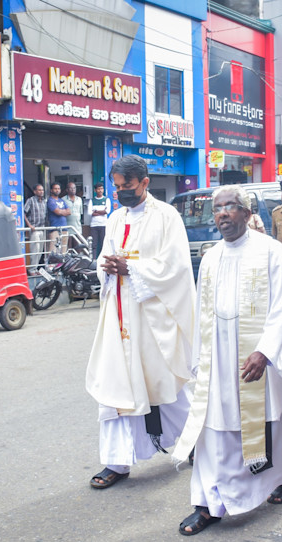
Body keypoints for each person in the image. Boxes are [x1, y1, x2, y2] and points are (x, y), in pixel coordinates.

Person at [172, 185, 282, 536]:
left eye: (230, 207)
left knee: (275, 421)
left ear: (248, 213)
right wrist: (200, 357)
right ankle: (208, 503)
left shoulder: (271, 251)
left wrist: (265, 351)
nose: (222, 214)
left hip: (262, 353)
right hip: (220, 354)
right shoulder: (211, 257)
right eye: (217, 208)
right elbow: (202, 310)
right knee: (216, 425)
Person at [85, 155, 195, 488]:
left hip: (151, 317)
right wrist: (105, 267)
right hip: (118, 314)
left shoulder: (167, 216)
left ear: (145, 182)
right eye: (117, 187)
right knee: (116, 386)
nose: (121, 193)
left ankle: (195, 440)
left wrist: (131, 269)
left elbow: (175, 266)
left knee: (165, 386)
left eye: (127, 186)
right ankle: (115, 463)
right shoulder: (116, 218)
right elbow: (105, 256)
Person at [23, 183, 47, 274]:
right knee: (35, 249)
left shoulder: (44, 201)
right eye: (39, 190)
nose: (41, 192)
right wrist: (29, 225)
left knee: (40, 250)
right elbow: (24, 213)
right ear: (35, 191)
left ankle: (35, 268)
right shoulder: (31, 200)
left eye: (42, 190)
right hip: (34, 229)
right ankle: (32, 269)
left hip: (42, 228)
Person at [88, 182, 111, 258]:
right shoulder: (92, 200)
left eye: (101, 188)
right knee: (94, 244)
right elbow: (89, 213)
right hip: (94, 225)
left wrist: (95, 211)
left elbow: (107, 211)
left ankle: (102, 259)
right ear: (95, 190)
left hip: (104, 225)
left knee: (103, 243)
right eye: (98, 189)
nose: (100, 190)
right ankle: (94, 260)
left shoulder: (106, 199)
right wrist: (102, 212)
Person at [47, 182, 70, 253]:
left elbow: (69, 212)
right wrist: (63, 212)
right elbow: (57, 212)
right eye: (55, 189)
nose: (57, 190)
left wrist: (61, 212)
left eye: (58, 189)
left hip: (64, 228)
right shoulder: (50, 200)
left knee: (63, 252)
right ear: (51, 190)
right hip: (54, 229)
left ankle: (61, 264)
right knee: (53, 251)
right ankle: (52, 265)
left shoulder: (62, 200)